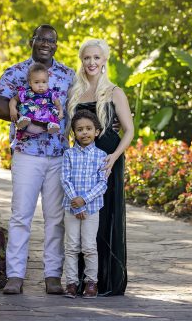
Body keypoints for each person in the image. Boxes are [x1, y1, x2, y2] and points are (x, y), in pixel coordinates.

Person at [0, 24, 75, 295]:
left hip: (58, 154)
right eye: (41, 39)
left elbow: (83, 107)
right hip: (27, 153)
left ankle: (52, 275)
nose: (46, 44)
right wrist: (27, 121)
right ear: (32, 41)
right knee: (20, 216)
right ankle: (15, 276)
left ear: (57, 45)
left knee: (55, 217)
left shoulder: (68, 75)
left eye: (51, 40)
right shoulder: (16, 72)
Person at [67, 38, 134, 296]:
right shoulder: (75, 91)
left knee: (106, 217)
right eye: (87, 58)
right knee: (82, 217)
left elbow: (129, 130)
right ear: (81, 61)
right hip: (81, 165)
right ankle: (83, 280)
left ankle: (105, 280)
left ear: (104, 60)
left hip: (107, 161)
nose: (91, 62)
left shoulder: (115, 92)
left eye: (96, 57)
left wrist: (114, 157)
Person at [61, 109, 108, 299]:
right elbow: (65, 179)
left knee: (89, 246)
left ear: (97, 131)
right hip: (71, 208)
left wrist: (84, 201)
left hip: (92, 209)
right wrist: (76, 204)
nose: (85, 133)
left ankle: (91, 283)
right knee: (71, 246)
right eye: (80, 129)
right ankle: (71, 283)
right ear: (74, 133)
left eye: (89, 128)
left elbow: (102, 183)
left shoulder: (102, 155)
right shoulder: (69, 155)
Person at [8, 62, 64, 139]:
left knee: (54, 111)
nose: (41, 85)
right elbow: (14, 99)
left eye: (44, 82)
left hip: (45, 117)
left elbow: (58, 105)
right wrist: (12, 109)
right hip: (31, 117)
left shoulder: (51, 93)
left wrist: (61, 112)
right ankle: (23, 122)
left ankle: (51, 125)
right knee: (25, 106)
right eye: (37, 82)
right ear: (30, 83)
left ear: (48, 81)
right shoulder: (27, 93)